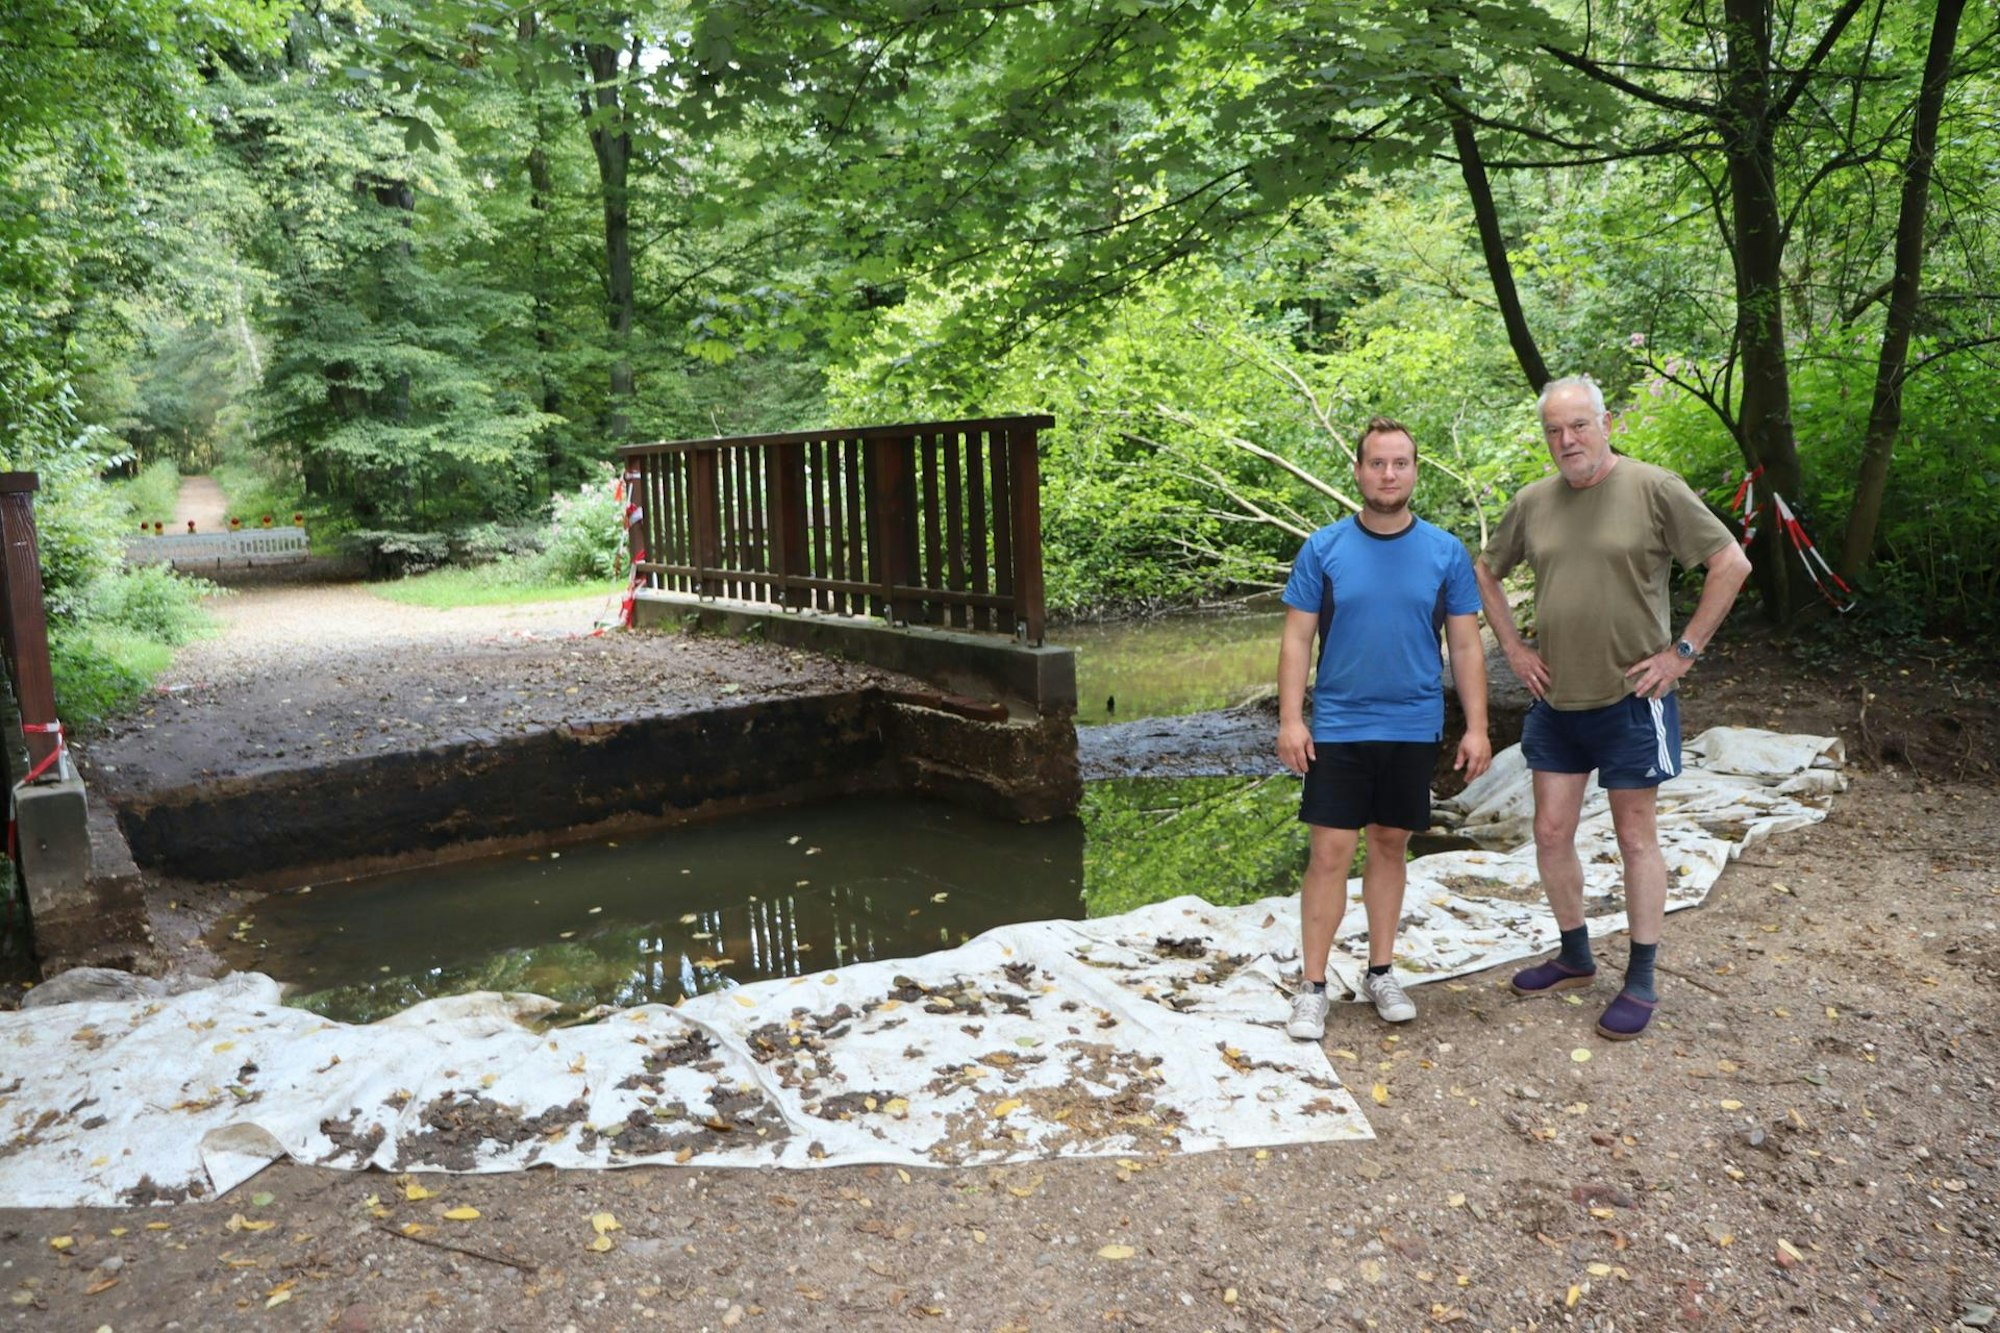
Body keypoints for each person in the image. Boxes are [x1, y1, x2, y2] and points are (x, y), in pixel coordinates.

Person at [1474, 375, 1752, 1041]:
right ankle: (1575, 956)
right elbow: (1484, 570)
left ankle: (1642, 977)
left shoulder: (1654, 488)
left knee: (1635, 837)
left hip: (1633, 698)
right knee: (1549, 832)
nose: (1567, 439)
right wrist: (1512, 647)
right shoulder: (1533, 501)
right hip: (1555, 699)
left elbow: (1731, 563)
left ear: (1605, 423)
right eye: (1554, 430)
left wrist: (1682, 652)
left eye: (1578, 425)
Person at [1278, 417, 1491, 1041]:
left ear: (1415, 471)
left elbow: (1466, 646)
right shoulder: (1323, 549)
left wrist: (1477, 728)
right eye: (1377, 463)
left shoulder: (1445, 552)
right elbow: (1296, 640)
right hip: (1339, 726)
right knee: (1329, 852)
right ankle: (1313, 987)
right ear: (1359, 471)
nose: (1389, 474)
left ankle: (1380, 972)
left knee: (1391, 844)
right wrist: (1291, 720)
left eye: (1400, 463)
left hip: (1413, 724)